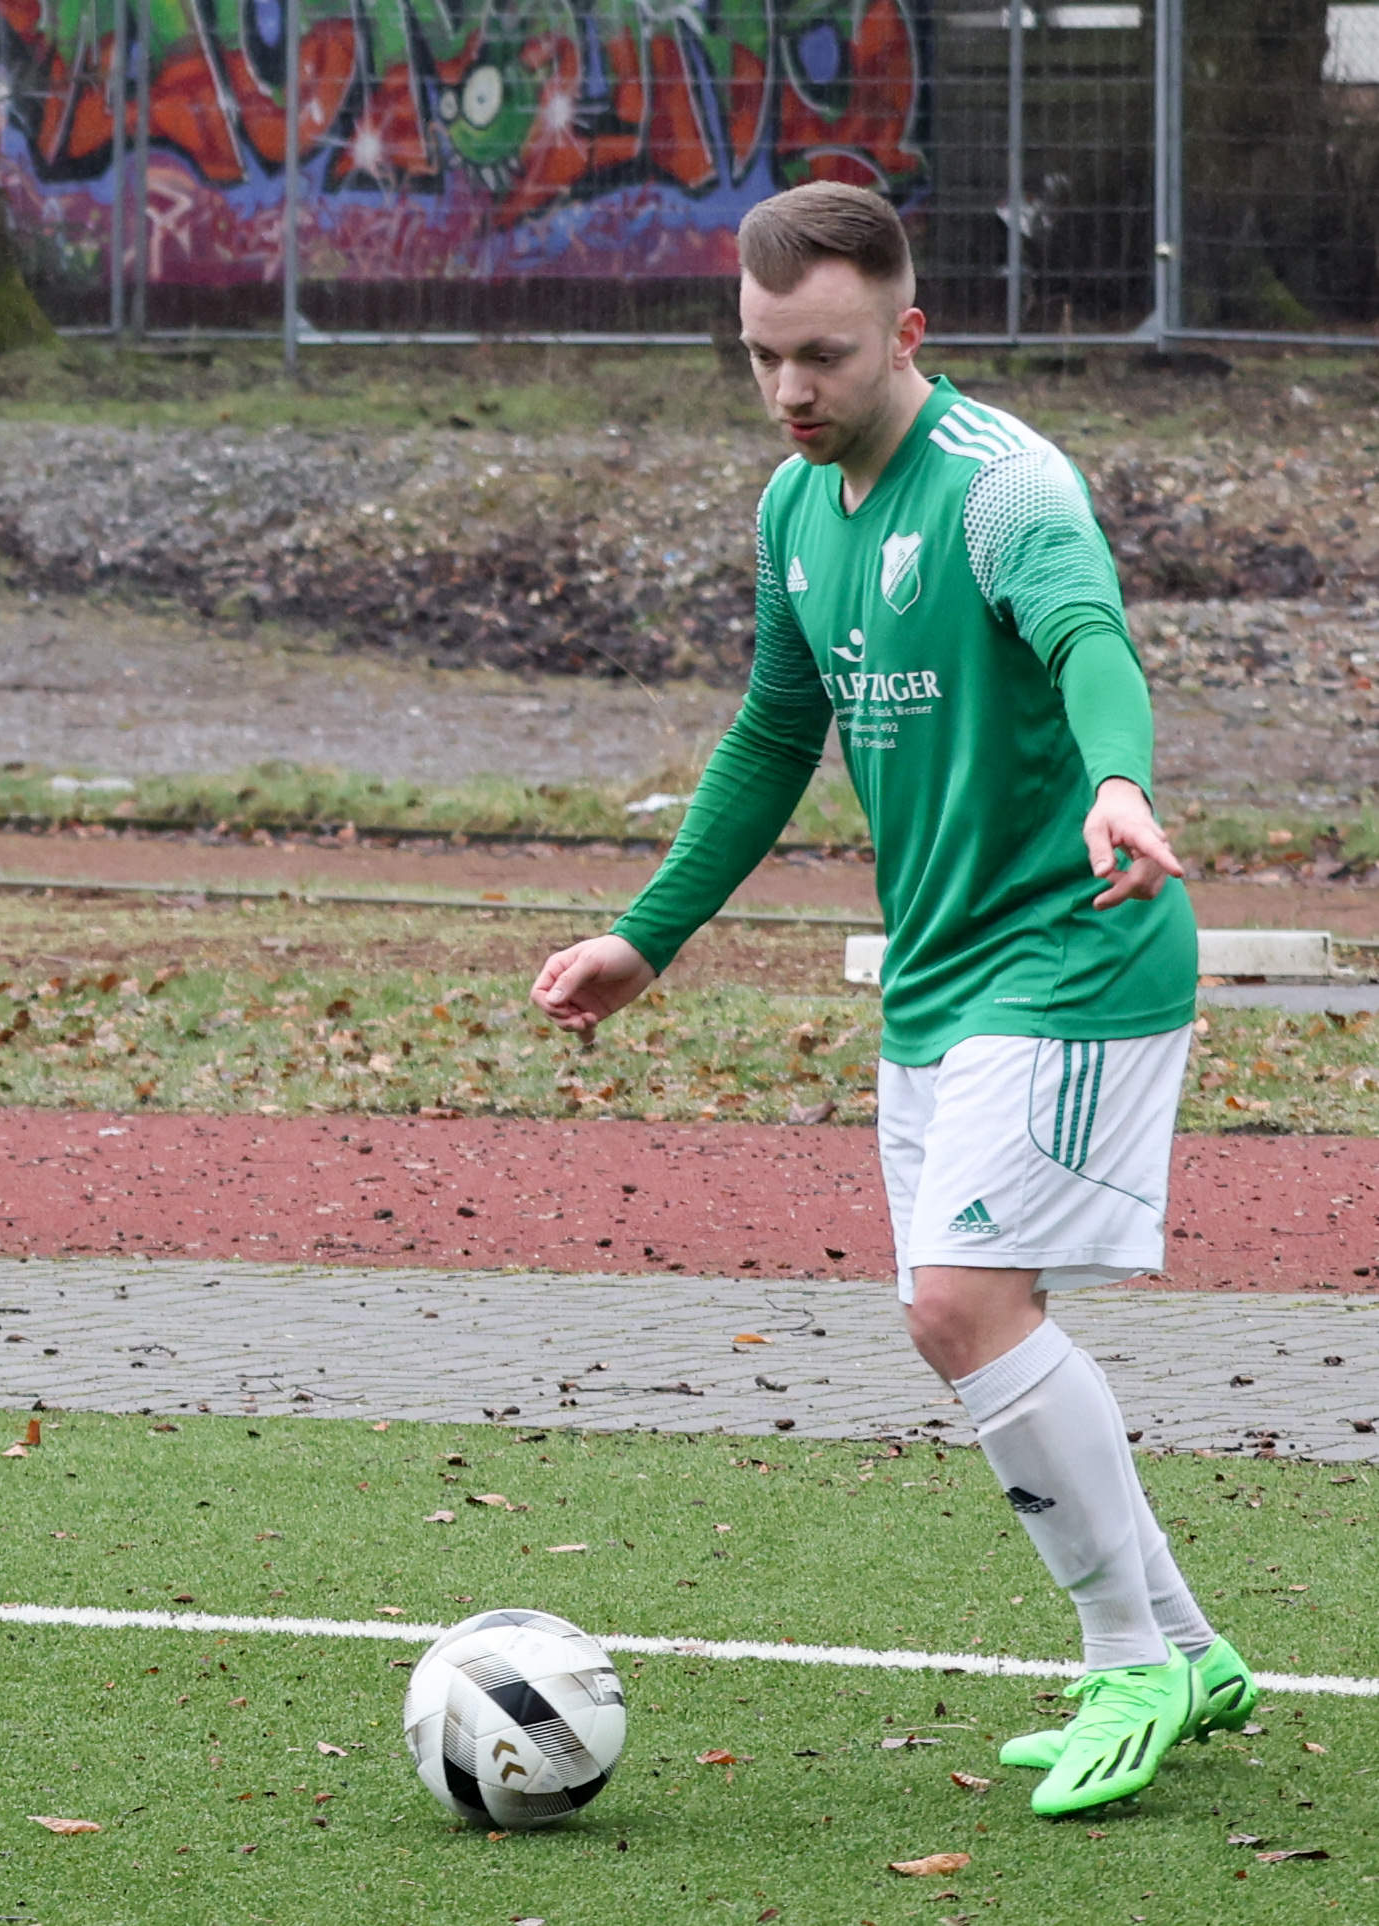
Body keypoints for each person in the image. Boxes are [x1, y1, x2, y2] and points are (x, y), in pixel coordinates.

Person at [529, 181, 1256, 1818]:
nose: (789, 388)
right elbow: (770, 733)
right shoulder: (795, 510)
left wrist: (1121, 782)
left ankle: (1124, 1659)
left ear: (906, 332)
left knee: (956, 1307)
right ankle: (1187, 1646)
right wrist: (648, 937)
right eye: (762, 355)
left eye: (826, 355)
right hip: (938, 975)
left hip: (1074, 947)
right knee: (967, 1316)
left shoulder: (1003, 486)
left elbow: (1088, 638)